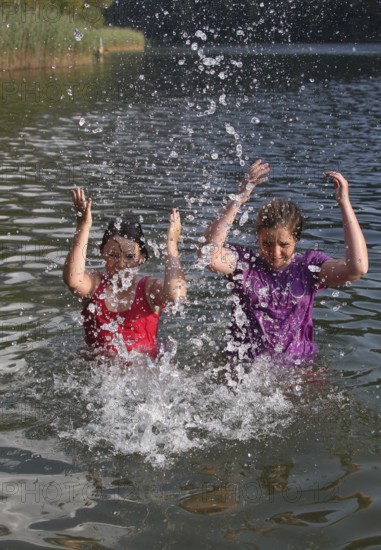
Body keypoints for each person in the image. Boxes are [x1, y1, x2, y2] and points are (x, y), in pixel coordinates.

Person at [198, 159, 368, 365]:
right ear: (258, 237)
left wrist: (344, 204)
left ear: (296, 239)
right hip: (244, 367)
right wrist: (238, 200)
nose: (275, 252)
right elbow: (209, 255)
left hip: (298, 367)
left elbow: (357, 267)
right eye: (267, 243)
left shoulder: (310, 267)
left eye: (284, 244)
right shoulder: (245, 264)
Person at [63, 188, 186, 358]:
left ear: (141, 258)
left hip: (144, 376)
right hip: (99, 376)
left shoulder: (149, 289)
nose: (121, 264)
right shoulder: (95, 284)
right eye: (113, 255)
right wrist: (83, 226)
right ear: (102, 253)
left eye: (129, 257)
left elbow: (176, 295)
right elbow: (73, 281)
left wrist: (171, 244)